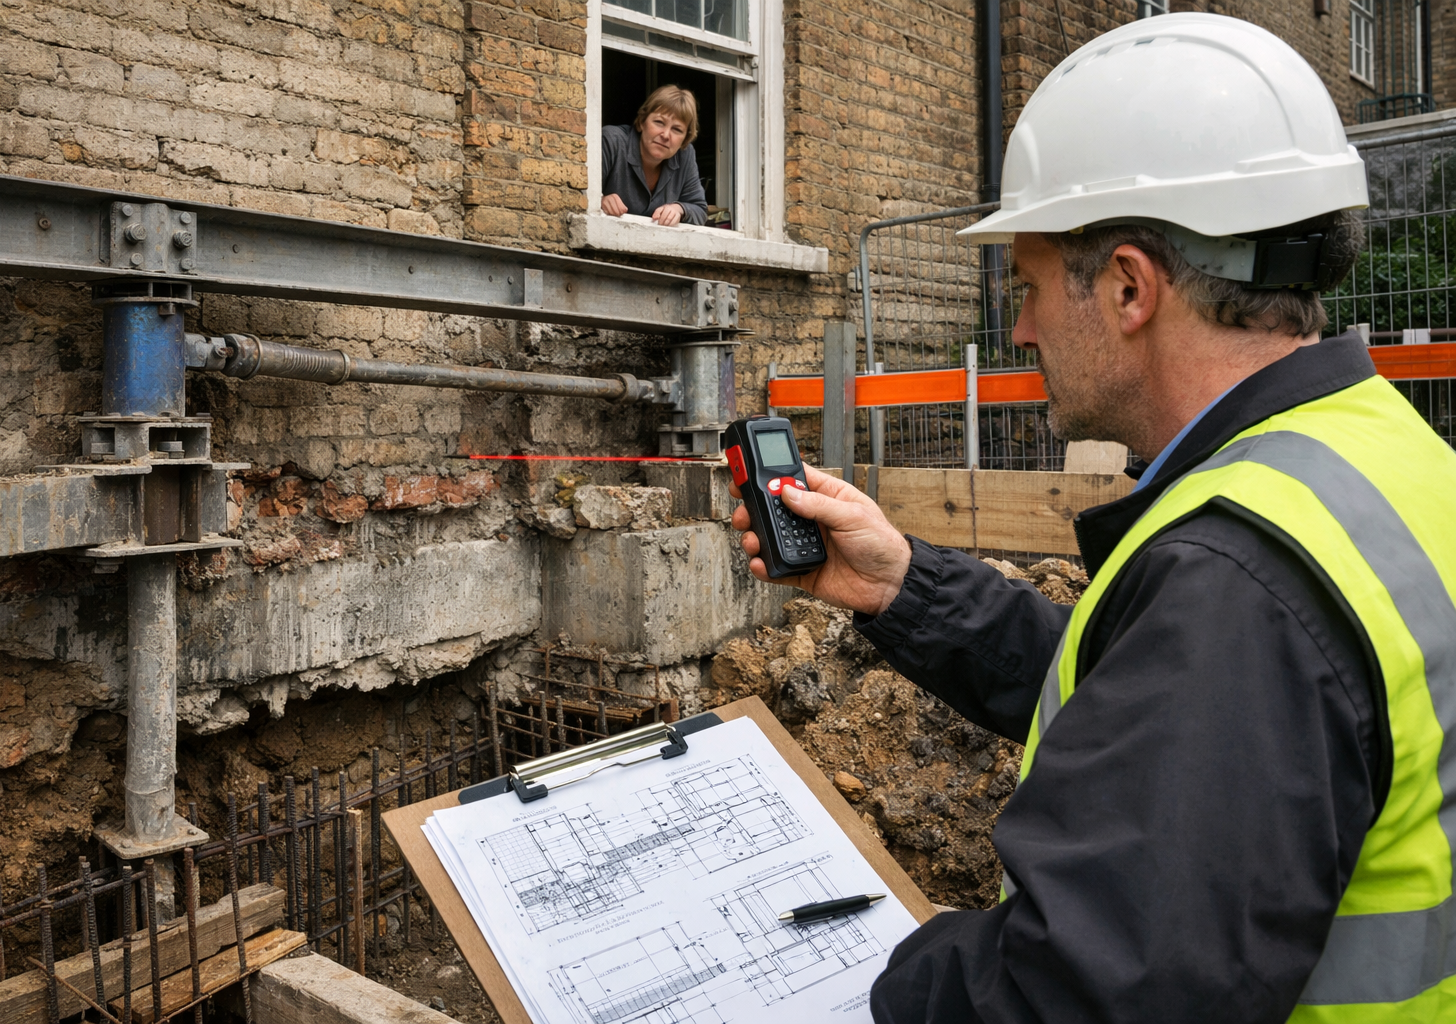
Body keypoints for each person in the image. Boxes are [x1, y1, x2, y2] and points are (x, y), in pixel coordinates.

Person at [730, 13, 1456, 1024]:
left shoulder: (1236, 584)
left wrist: (883, 978)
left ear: (1127, 287)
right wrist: (899, 584)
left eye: (1026, 286)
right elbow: (1150, 707)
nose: (1018, 326)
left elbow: (1079, 996)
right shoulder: (1380, 454)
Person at [600, 85, 708, 227]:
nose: (665, 135)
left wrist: (679, 209)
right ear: (641, 122)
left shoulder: (685, 155)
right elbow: (577, 194)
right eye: (659, 122)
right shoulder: (611, 141)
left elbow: (700, 209)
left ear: (685, 139)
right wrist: (600, 200)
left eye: (677, 129)